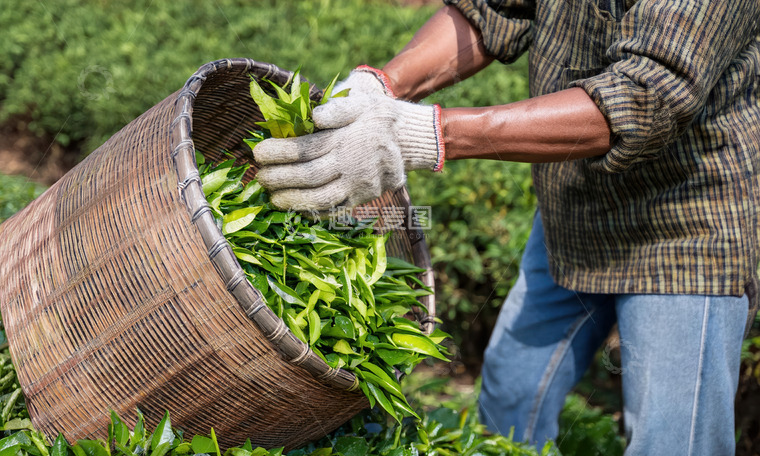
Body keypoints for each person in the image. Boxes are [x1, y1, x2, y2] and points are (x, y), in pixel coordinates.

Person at [252, 1, 760, 454]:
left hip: (685, 226)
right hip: (573, 209)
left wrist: (426, 133)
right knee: (511, 394)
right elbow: (490, 11)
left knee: (673, 441)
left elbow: (642, 98)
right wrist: (380, 86)